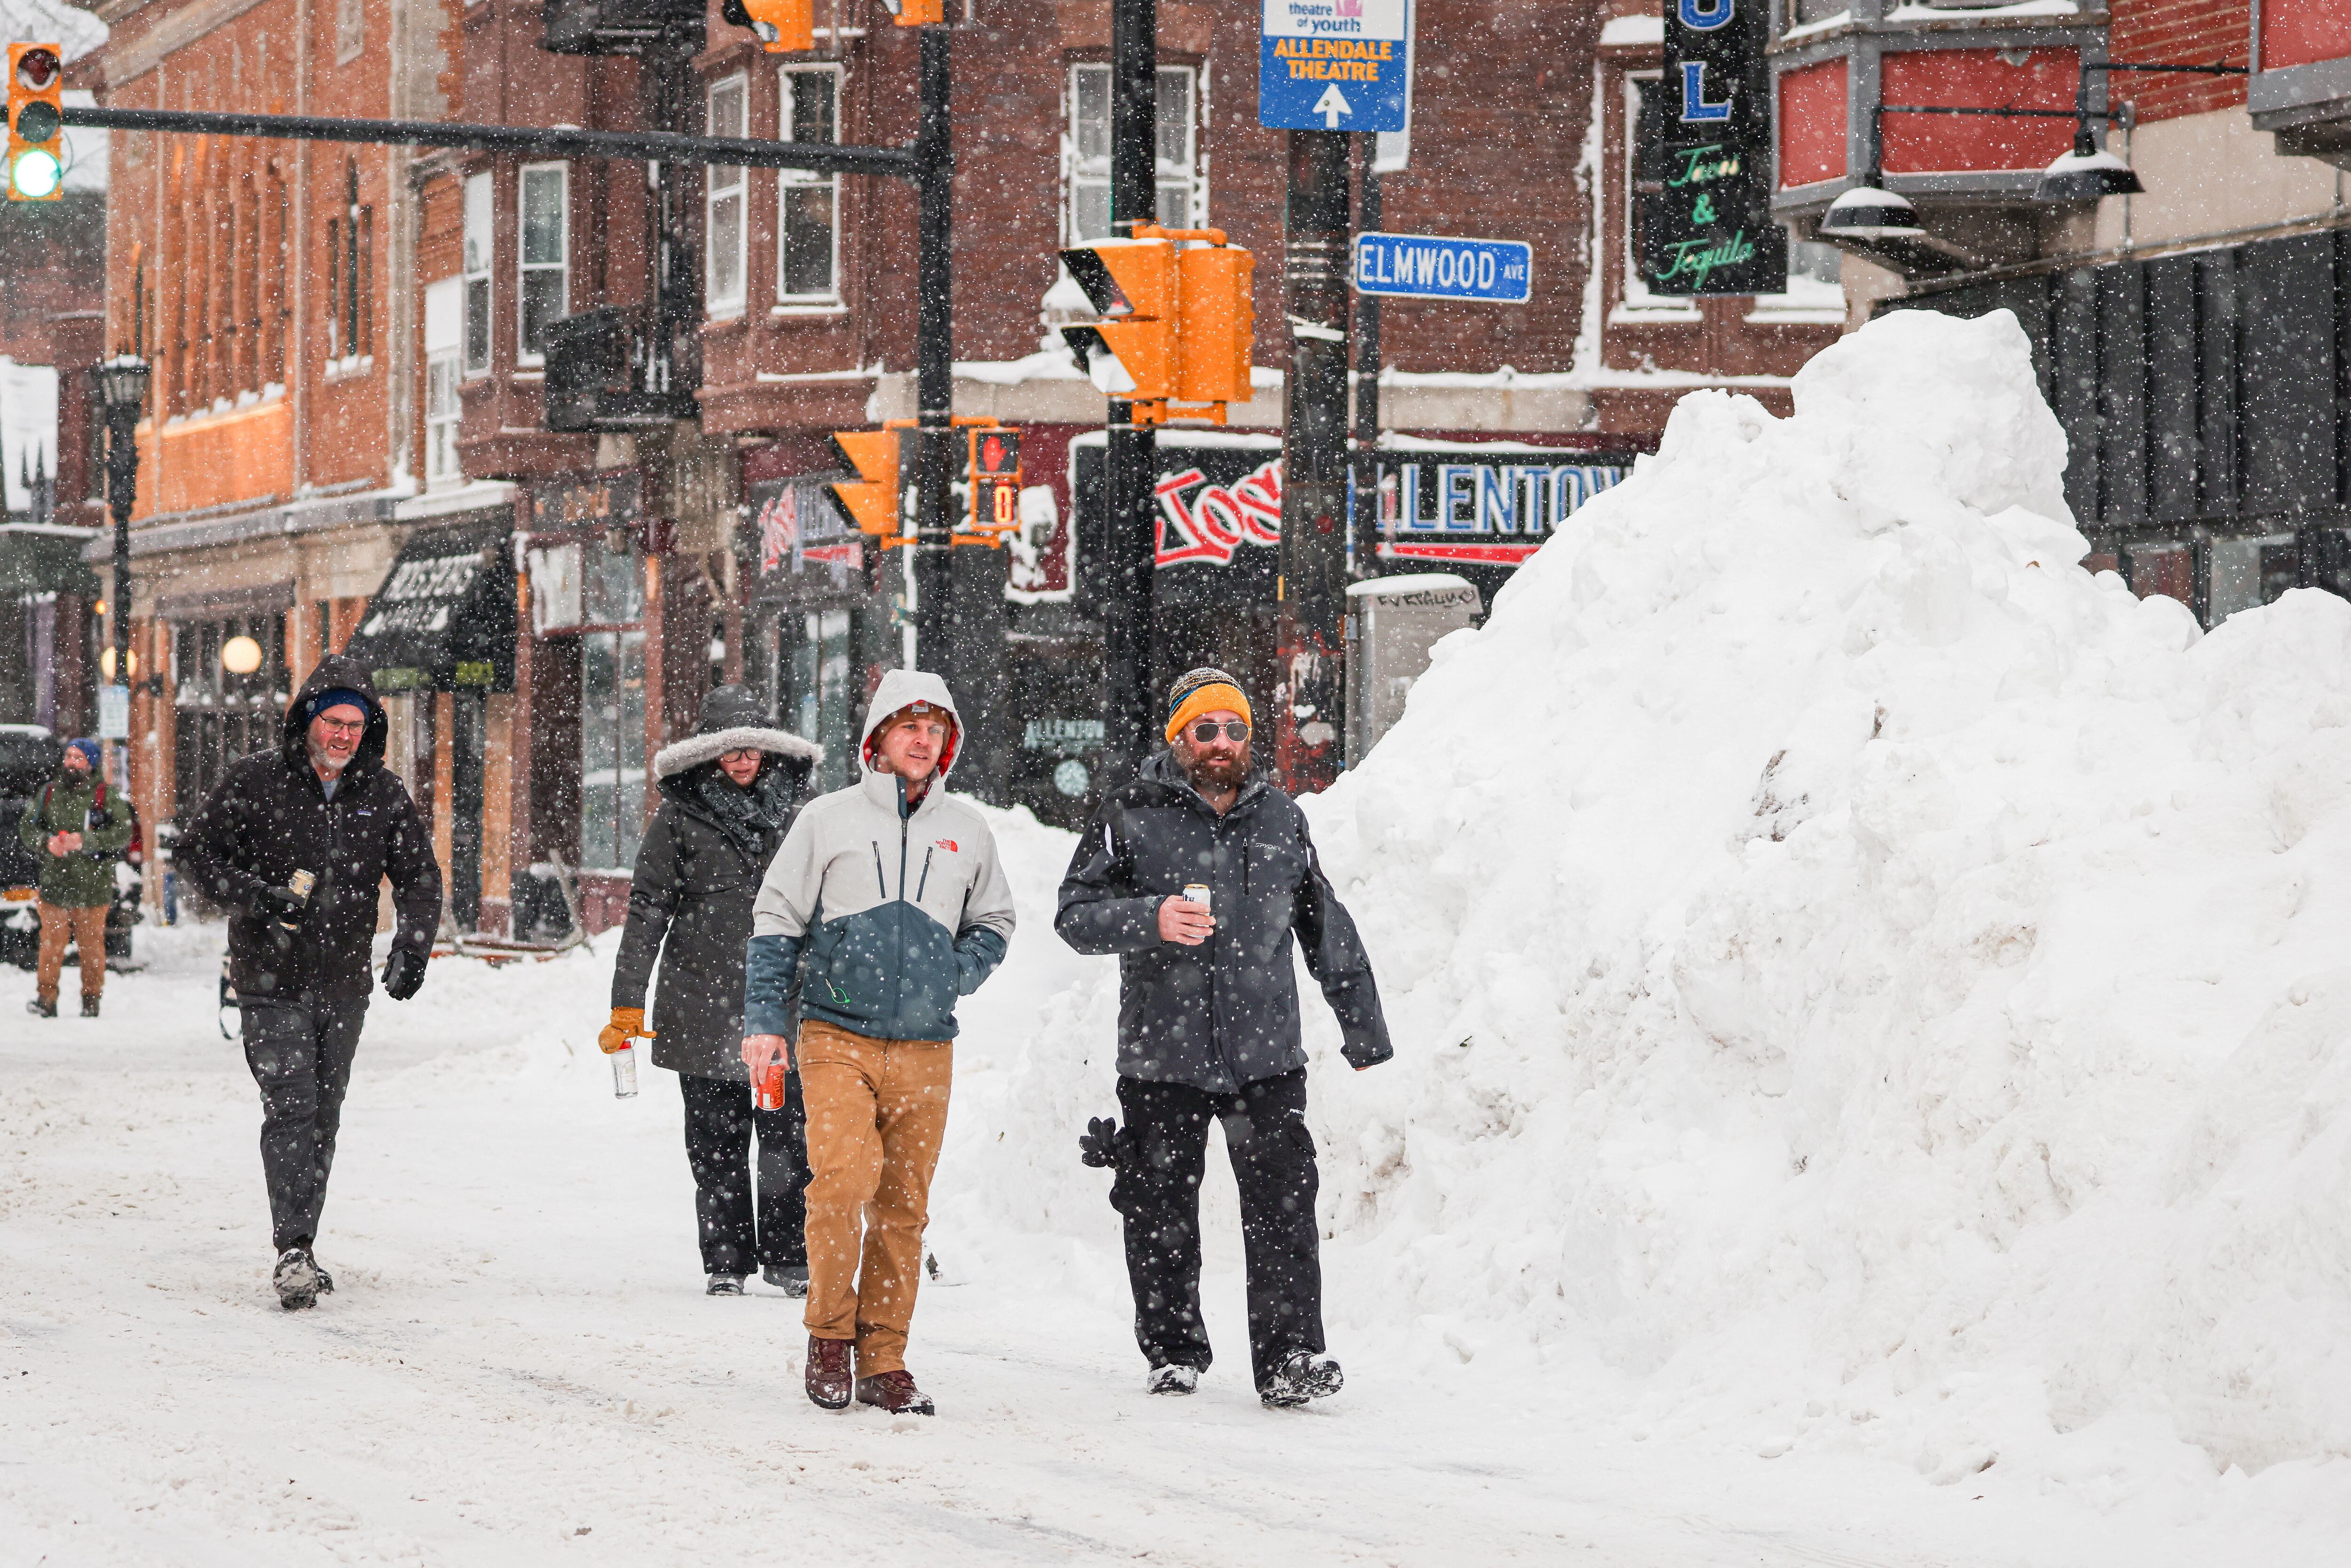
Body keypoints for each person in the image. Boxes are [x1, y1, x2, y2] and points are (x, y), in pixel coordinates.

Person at [1056, 666, 1393, 1408]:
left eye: (1234, 728)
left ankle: (1290, 1356)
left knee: (1284, 1209)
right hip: (1162, 1053)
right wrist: (1149, 917)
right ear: (1178, 737)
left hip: (1264, 1056)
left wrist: (1364, 1029)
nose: (1221, 741)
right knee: (1159, 1210)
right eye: (1205, 729)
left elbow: (1325, 924)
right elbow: (1074, 915)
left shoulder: (1280, 819)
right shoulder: (1129, 812)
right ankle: (1173, 1351)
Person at [740, 670, 1017, 1417]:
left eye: (935, 729)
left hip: (927, 1045)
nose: (922, 740)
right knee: (841, 1181)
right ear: (878, 737)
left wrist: (953, 973)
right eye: (908, 726)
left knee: (903, 1206)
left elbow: (995, 920)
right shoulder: (826, 819)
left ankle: (885, 1356)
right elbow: (777, 918)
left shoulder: (968, 829)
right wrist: (764, 1019)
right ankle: (830, 1334)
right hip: (837, 1032)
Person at [177, 656, 442, 1311]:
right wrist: (258, 896)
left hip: (344, 983)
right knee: (291, 1106)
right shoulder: (257, 780)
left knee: (324, 1115)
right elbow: (196, 852)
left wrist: (412, 945)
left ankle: (303, 1242)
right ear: (307, 721)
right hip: (269, 978)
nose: (344, 735)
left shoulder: (382, 794)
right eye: (334, 722)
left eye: (356, 725)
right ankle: (292, 1248)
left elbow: (419, 875)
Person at [602, 686, 821, 1299]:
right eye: (731, 749)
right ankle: (727, 1258)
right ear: (709, 753)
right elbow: (647, 907)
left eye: (752, 748)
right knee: (715, 1142)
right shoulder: (680, 815)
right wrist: (627, 1000)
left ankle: (790, 1257)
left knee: (788, 1139)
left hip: (784, 1002)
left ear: (769, 749)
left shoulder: (804, 811)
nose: (743, 760)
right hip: (701, 1000)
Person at [19, 737, 132, 1019]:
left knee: (92, 947)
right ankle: (46, 999)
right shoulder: (48, 793)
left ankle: (91, 1000)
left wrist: (86, 841)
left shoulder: (106, 796)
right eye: (69, 756)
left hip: (93, 887)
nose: (71, 763)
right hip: (54, 884)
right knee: (50, 945)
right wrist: (46, 842)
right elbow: (27, 827)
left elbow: (124, 832)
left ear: (91, 764)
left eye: (79, 758)